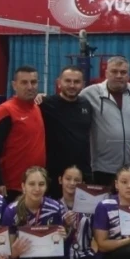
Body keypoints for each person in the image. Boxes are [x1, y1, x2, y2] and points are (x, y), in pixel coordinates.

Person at [0, 166, 73, 259]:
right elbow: (8, 252)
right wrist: (15, 252)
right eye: (31, 184)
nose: (37, 189)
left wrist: (65, 234)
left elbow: (63, 243)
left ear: (46, 186)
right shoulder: (11, 211)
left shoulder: (56, 207)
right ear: (23, 186)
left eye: (41, 184)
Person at [81, 57, 130, 186]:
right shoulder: (90, 93)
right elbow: (70, 104)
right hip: (102, 168)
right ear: (106, 73)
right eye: (114, 71)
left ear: (128, 75)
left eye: (123, 72)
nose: (119, 75)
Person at [0, 65, 46, 199]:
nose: (30, 87)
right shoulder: (5, 111)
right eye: (24, 82)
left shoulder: (38, 108)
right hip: (11, 188)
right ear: (14, 85)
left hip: (35, 186)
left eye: (33, 82)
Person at [40, 66, 93, 197]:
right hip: (55, 173)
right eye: (68, 81)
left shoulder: (86, 105)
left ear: (83, 84)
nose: (72, 85)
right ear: (59, 82)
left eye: (76, 82)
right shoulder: (46, 104)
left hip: (82, 171)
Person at [56, 164, 100, 259]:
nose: (72, 183)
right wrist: (64, 225)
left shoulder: (91, 207)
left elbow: (98, 233)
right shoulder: (53, 207)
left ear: (82, 184)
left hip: (83, 256)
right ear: (60, 180)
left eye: (77, 180)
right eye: (68, 179)